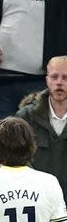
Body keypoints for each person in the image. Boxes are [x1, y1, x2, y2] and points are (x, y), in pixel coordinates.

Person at [16, 56, 67, 195]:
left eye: (65, 78)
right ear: (47, 80)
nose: (59, 83)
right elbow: (16, 159)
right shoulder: (26, 117)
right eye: (54, 77)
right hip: (37, 198)